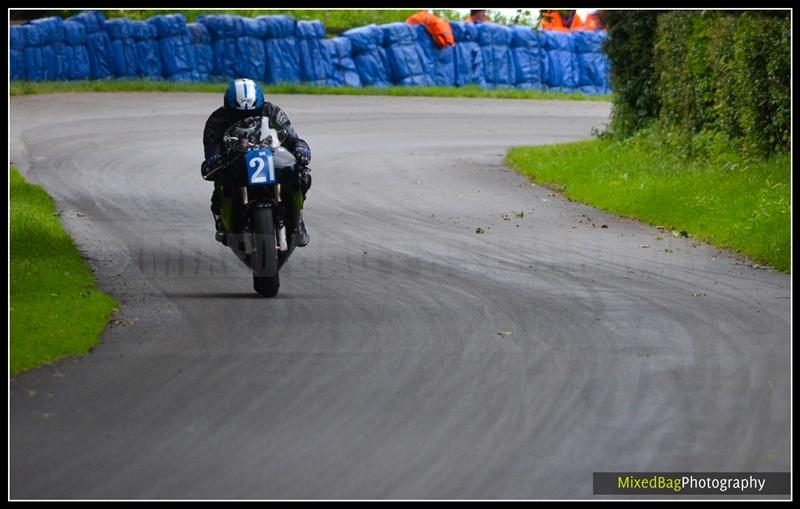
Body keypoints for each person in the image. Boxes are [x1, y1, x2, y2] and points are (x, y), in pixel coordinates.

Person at [203, 78, 312, 247]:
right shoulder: (216, 121)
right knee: (219, 189)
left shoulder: (273, 111)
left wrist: (301, 148)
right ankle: (223, 223)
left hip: (270, 156)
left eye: (253, 114)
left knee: (302, 174)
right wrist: (213, 161)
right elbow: (211, 151)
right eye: (239, 116)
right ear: (228, 110)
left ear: (260, 107)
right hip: (234, 162)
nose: (246, 119)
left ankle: (297, 218)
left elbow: (292, 137)